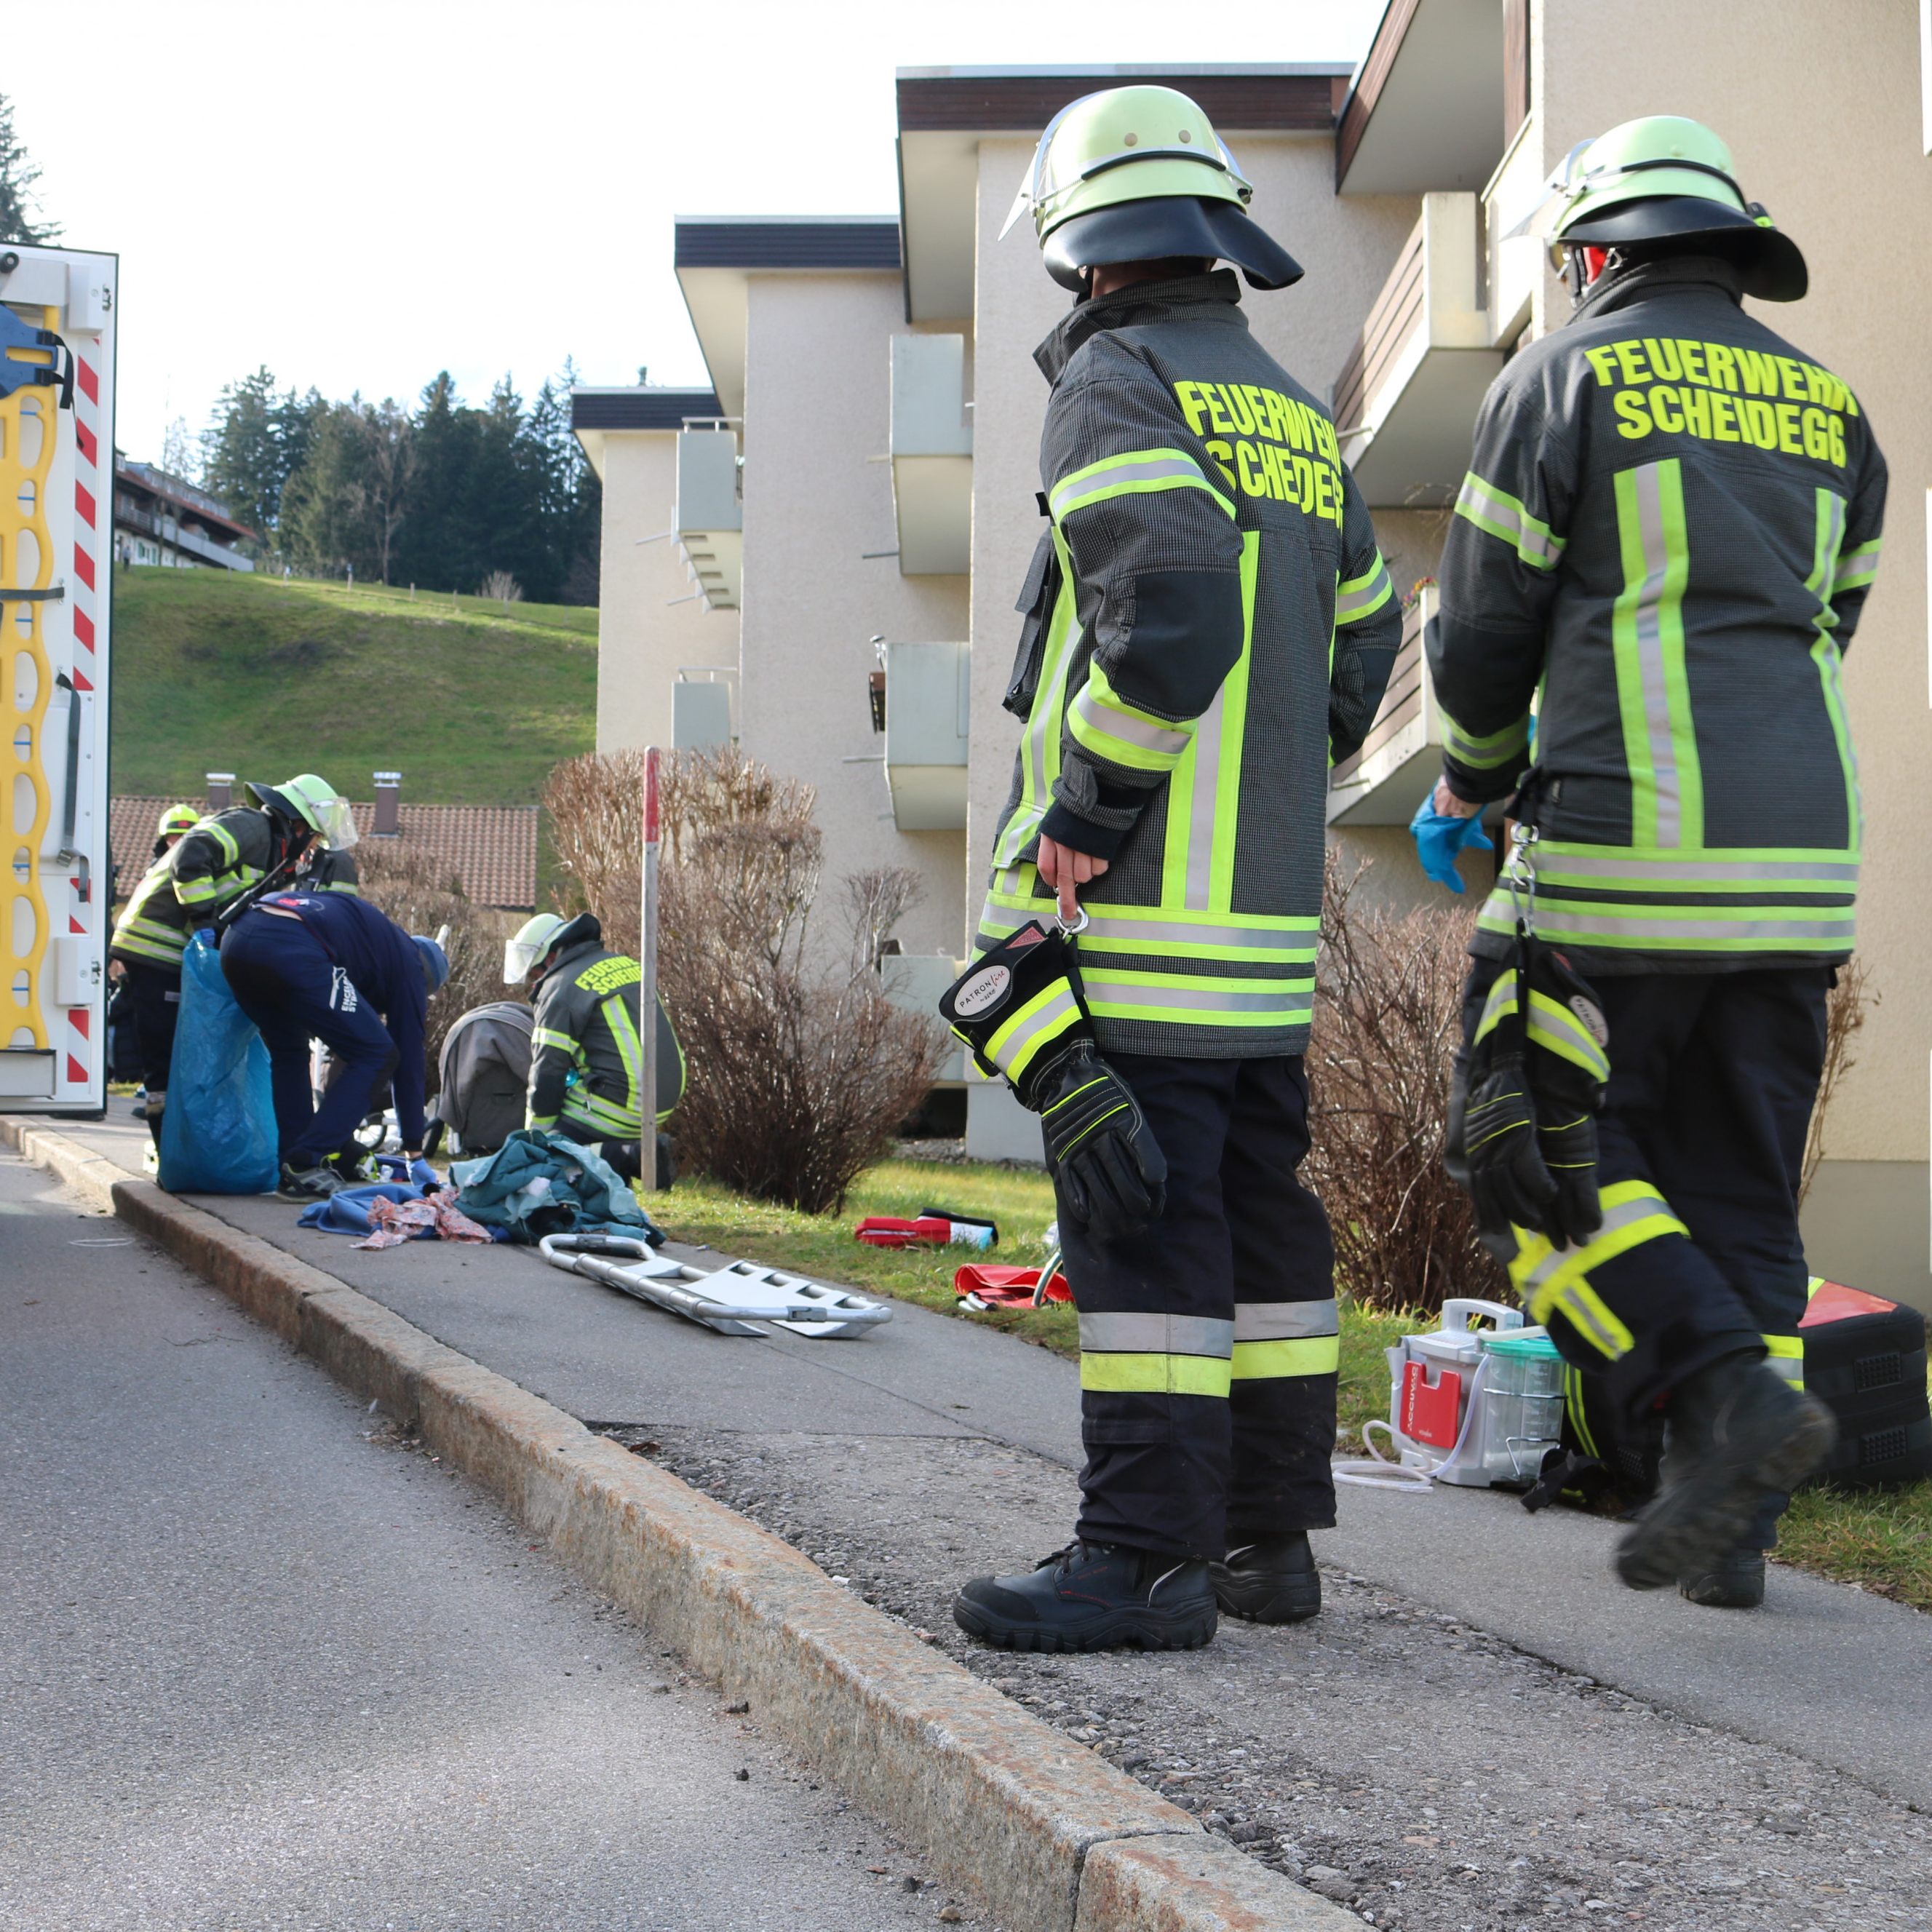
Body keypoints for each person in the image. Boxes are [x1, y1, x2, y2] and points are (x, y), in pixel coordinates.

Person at [942, 84, 1400, 1653]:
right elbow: (1360, 654)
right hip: (1263, 938)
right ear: (1209, 236)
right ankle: (1265, 1544)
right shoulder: (1295, 412)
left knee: (1140, 1239)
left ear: (1084, 253)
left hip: (1133, 924)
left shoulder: (1117, 383)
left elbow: (1176, 613)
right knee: (1260, 1234)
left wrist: (1088, 799)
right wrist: (1273, 781)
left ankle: (1139, 1559)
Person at [1426, 116, 1883, 1608]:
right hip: (1799, 870)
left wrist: (1474, 784)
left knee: (1532, 1153)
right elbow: (1835, 617)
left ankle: (1717, 1393)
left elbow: (1485, 631)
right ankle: (1727, 1527)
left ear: (1598, 251)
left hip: (1618, 856)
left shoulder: (1555, 379)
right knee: (1740, 1191)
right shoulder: (1833, 408)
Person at [219, 886, 448, 1201]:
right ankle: (305, 1160)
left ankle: (295, 1172)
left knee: (290, 1052)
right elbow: (407, 1059)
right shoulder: (410, 967)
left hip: (238, 940)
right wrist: (414, 1150)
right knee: (378, 1052)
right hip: (290, 945)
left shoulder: (375, 942)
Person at [503, 912, 655, 1181]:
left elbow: (548, 1072)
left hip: (627, 1102)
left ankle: (628, 1156)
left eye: (533, 972)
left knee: (549, 1155)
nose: (533, 981)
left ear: (551, 958)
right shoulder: (622, 963)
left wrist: (534, 1139)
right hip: (661, 1095)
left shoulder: (559, 988)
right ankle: (621, 1167)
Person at [107, 803, 204, 1148]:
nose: (179, 842)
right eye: (173, 837)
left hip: (160, 966)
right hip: (160, 966)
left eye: (184, 836)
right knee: (158, 1044)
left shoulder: (164, 866)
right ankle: (163, 1128)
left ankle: (164, 1118)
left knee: (162, 1043)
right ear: (163, 841)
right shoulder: (174, 868)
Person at [169, 774, 359, 928]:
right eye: (317, 837)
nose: (313, 847)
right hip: (159, 945)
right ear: (301, 826)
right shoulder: (253, 826)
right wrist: (205, 921)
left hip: (173, 950)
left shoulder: (271, 846)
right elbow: (191, 855)